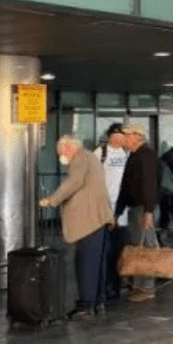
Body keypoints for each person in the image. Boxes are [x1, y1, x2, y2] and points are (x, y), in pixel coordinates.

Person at [40, 136, 114, 320]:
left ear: (69, 148)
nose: (61, 157)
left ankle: (86, 305)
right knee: (97, 264)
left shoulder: (80, 158)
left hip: (88, 222)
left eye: (61, 152)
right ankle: (98, 302)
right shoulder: (91, 156)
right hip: (99, 219)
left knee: (86, 264)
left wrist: (52, 200)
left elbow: (74, 182)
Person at [115, 124, 161, 300]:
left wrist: (148, 211)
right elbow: (125, 186)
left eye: (127, 135)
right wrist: (118, 210)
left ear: (137, 136)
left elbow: (150, 185)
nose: (124, 138)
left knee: (146, 246)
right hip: (135, 208)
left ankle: (147, 287)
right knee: (138, 246)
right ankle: (138, 284)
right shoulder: (133, 156)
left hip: (144, 208)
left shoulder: (147, 156)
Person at [94, 124, 129, 300]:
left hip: (123, 210)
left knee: (118, 249)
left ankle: (115, 284)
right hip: (104, 208)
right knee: (104, 249)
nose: (118, 138)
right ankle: (104, 284)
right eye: (115, 135)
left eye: (121, 135)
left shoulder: (127, 154)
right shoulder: (100, 153)